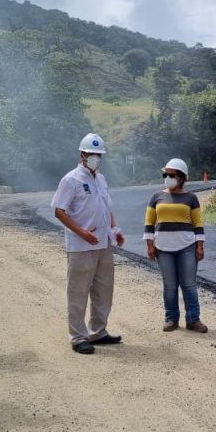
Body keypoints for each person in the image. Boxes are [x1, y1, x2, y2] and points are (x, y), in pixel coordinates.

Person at [51, 133, 125, 354]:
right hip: (81, 246)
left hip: (103, 243)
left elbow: (106, 208)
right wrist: (82, 232)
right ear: (81, 154)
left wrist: (115, 230)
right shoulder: (71, 180)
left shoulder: (101, 180)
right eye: (90, 154)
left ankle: (98, 331)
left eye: (98, 154)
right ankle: (78, 337)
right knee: (78, 291)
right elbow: (59, 211)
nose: (95, 158)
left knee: (104, 289)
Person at [143, 158, 207, 333]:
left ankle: (193, 320)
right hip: (163, 248)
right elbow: (149, 223)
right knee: (170, 285)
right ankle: (171, 319)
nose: (168, 178)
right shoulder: (156, 197)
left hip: (187, 247)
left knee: (189, 284)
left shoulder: (191, 198)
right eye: (166, 175)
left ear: (181, 177)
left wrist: (200, 246)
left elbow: (198, 224)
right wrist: (150, 245)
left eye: (171, 175)